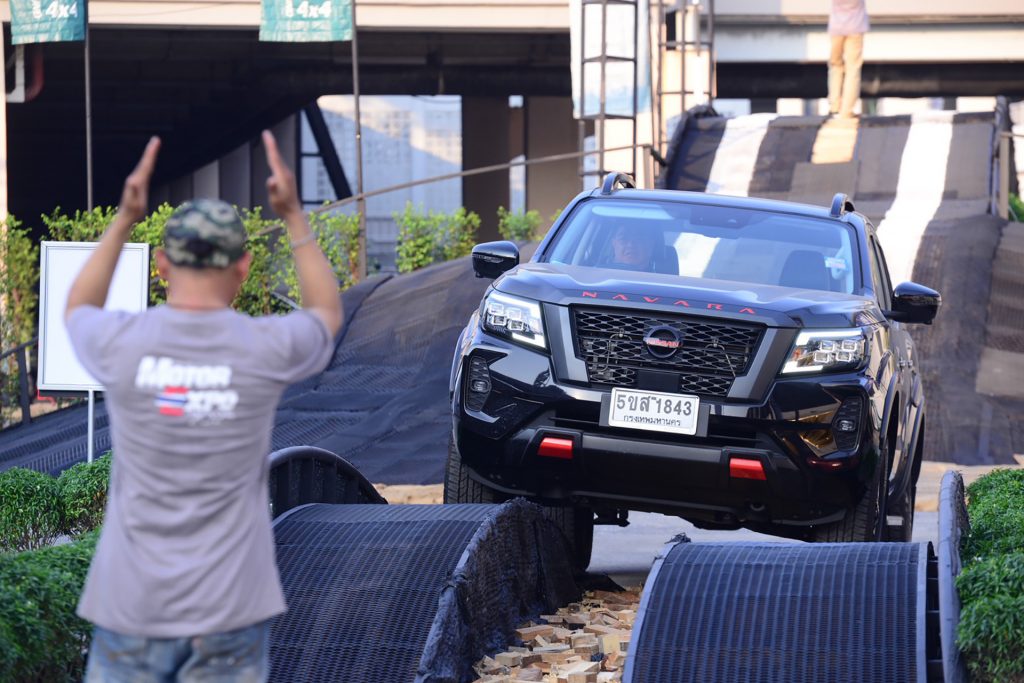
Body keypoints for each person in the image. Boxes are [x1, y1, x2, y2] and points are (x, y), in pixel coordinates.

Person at [65, 130, 342, 682]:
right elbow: (327, 316)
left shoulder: (123, 343)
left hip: (132, 604)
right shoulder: (263, 347)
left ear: (162, 265)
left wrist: (124, 219)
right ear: (243, 267)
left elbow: (77, 307)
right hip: (231, 609)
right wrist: (294, 217)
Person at [827, 0, 869, 119]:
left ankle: (834, 106)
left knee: (835, 66)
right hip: (856, 28)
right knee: (853, 69)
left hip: (836, 28)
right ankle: (847, 110)